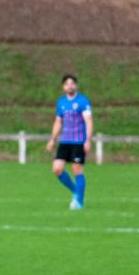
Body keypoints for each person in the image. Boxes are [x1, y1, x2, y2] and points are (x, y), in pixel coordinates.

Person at [46, 74, 92, 210]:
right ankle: (75, 191)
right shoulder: (61, 102)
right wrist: (52, 139)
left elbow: (88, 121)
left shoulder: (83, 101)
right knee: (57, 169)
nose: (69, 86)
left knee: (77, 170)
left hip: (78, 141)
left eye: (72, 83)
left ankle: (79, 202)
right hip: (65, 141)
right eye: (67, 84)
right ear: (63, 87)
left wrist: (88, 140)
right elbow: (58, 122)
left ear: (76, 86)